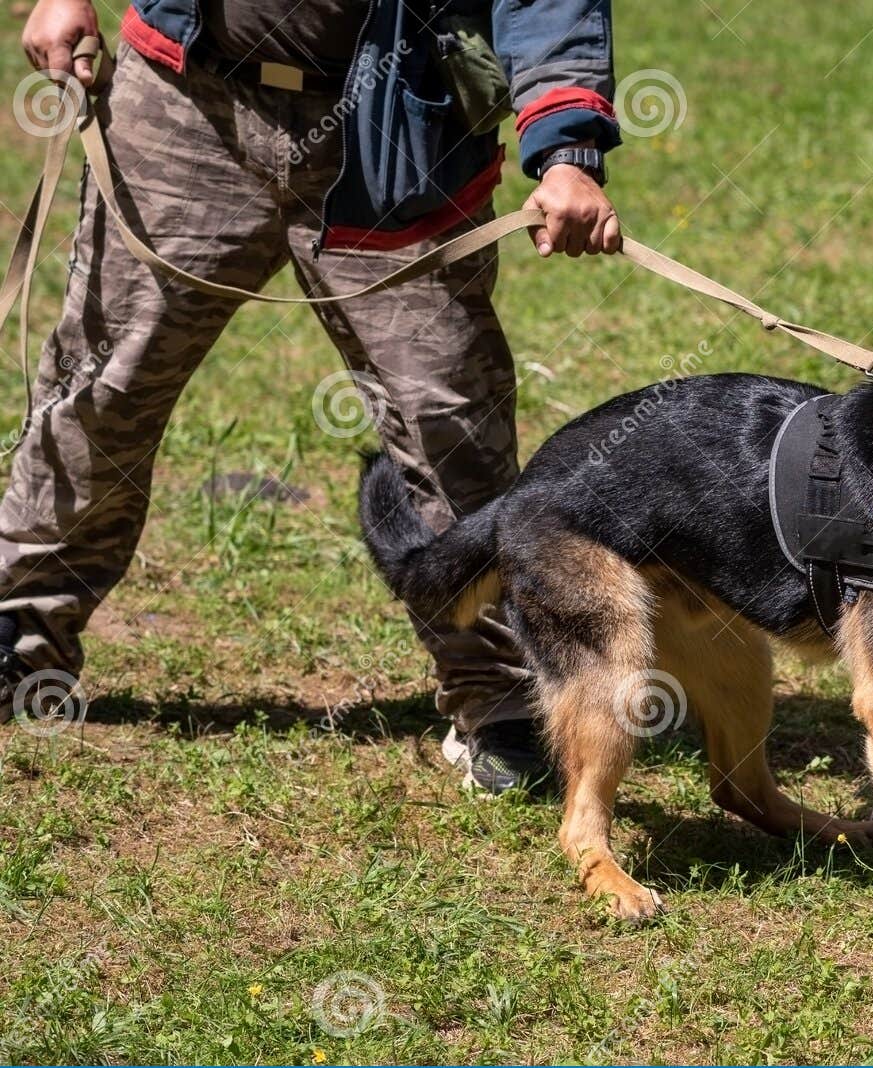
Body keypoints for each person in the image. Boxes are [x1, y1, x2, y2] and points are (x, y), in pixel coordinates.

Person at [0, 0, 623, 792]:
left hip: (397, 124)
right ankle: (20, 636)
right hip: (187, 100)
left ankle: (500, 698)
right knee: (104, 387)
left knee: (447, 424)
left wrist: (565, 147)